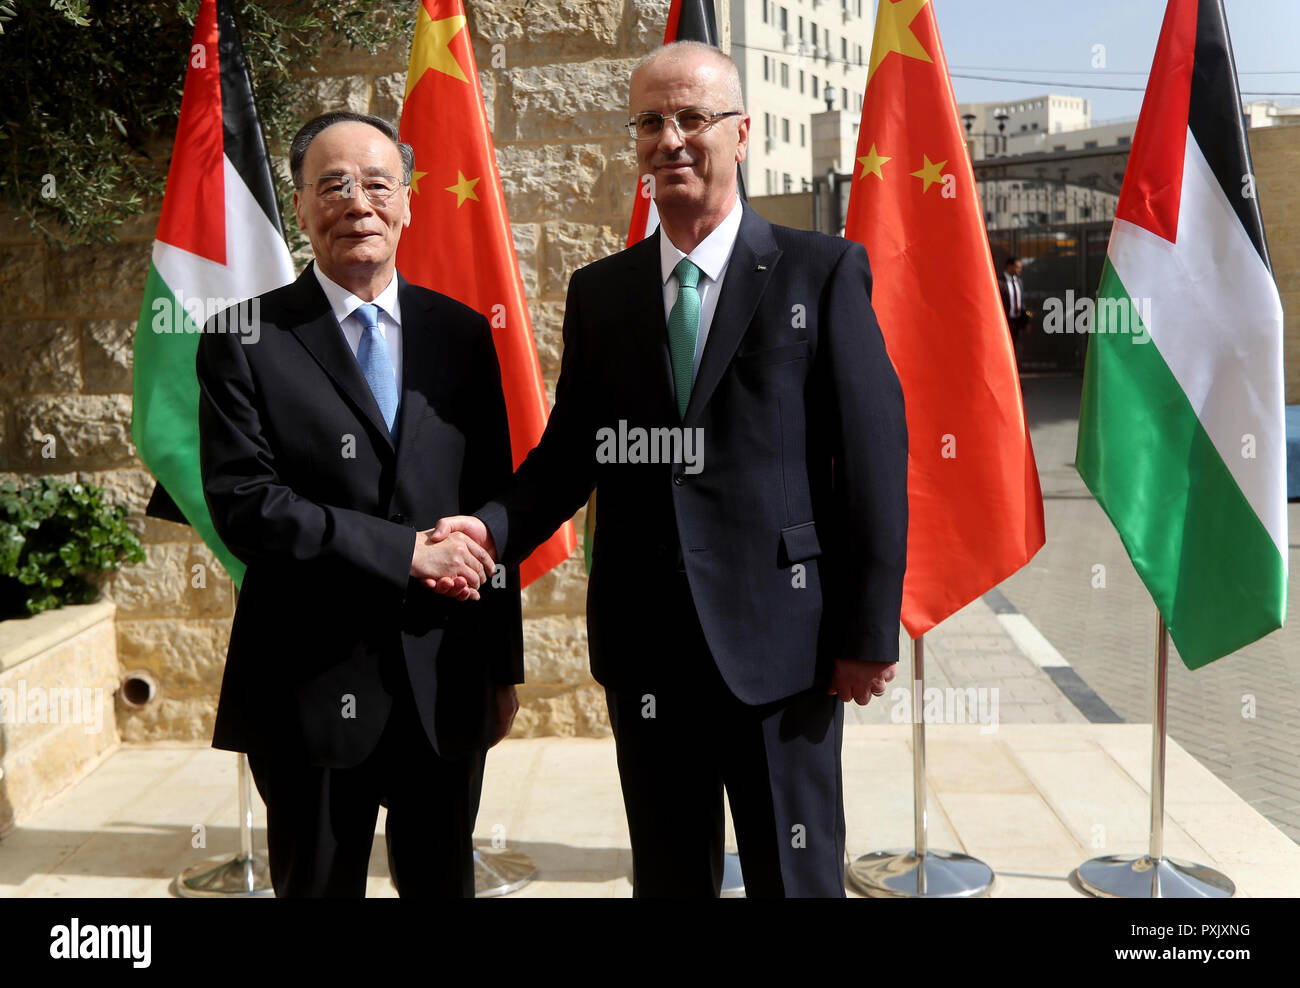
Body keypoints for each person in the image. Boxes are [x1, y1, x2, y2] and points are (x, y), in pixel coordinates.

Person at [429, 42, 908, 897]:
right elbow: (574, 451)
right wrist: (491, 528)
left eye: (694, 117)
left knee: (795, 879)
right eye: (651, 121)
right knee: (668, 878)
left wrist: (867, 634)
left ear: (743, 133)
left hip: (784, 649)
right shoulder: (601, 292)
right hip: (649, 650)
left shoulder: (820, 270)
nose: (671, 139)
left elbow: (872, 460)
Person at [196, 110, 522, 897]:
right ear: (302, 206)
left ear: (407, 201)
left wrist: (500, 667)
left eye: (377, 183)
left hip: (442, 682)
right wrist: (405, 551)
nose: (357, 203)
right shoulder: (241, 336)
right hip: (306, 687)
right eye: (333, 185)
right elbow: (247, 504)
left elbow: (494, 500)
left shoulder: (463, 335)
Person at [999, 256, 1030, 349]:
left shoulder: (1019, 281)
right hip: (1005, 322)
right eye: (1017, 267)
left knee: (1016, 348)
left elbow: (1021, 302)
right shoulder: (1000, 282)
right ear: (1009, 266)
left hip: (1017, 322)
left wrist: (1026, 321)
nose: (1019, 270)